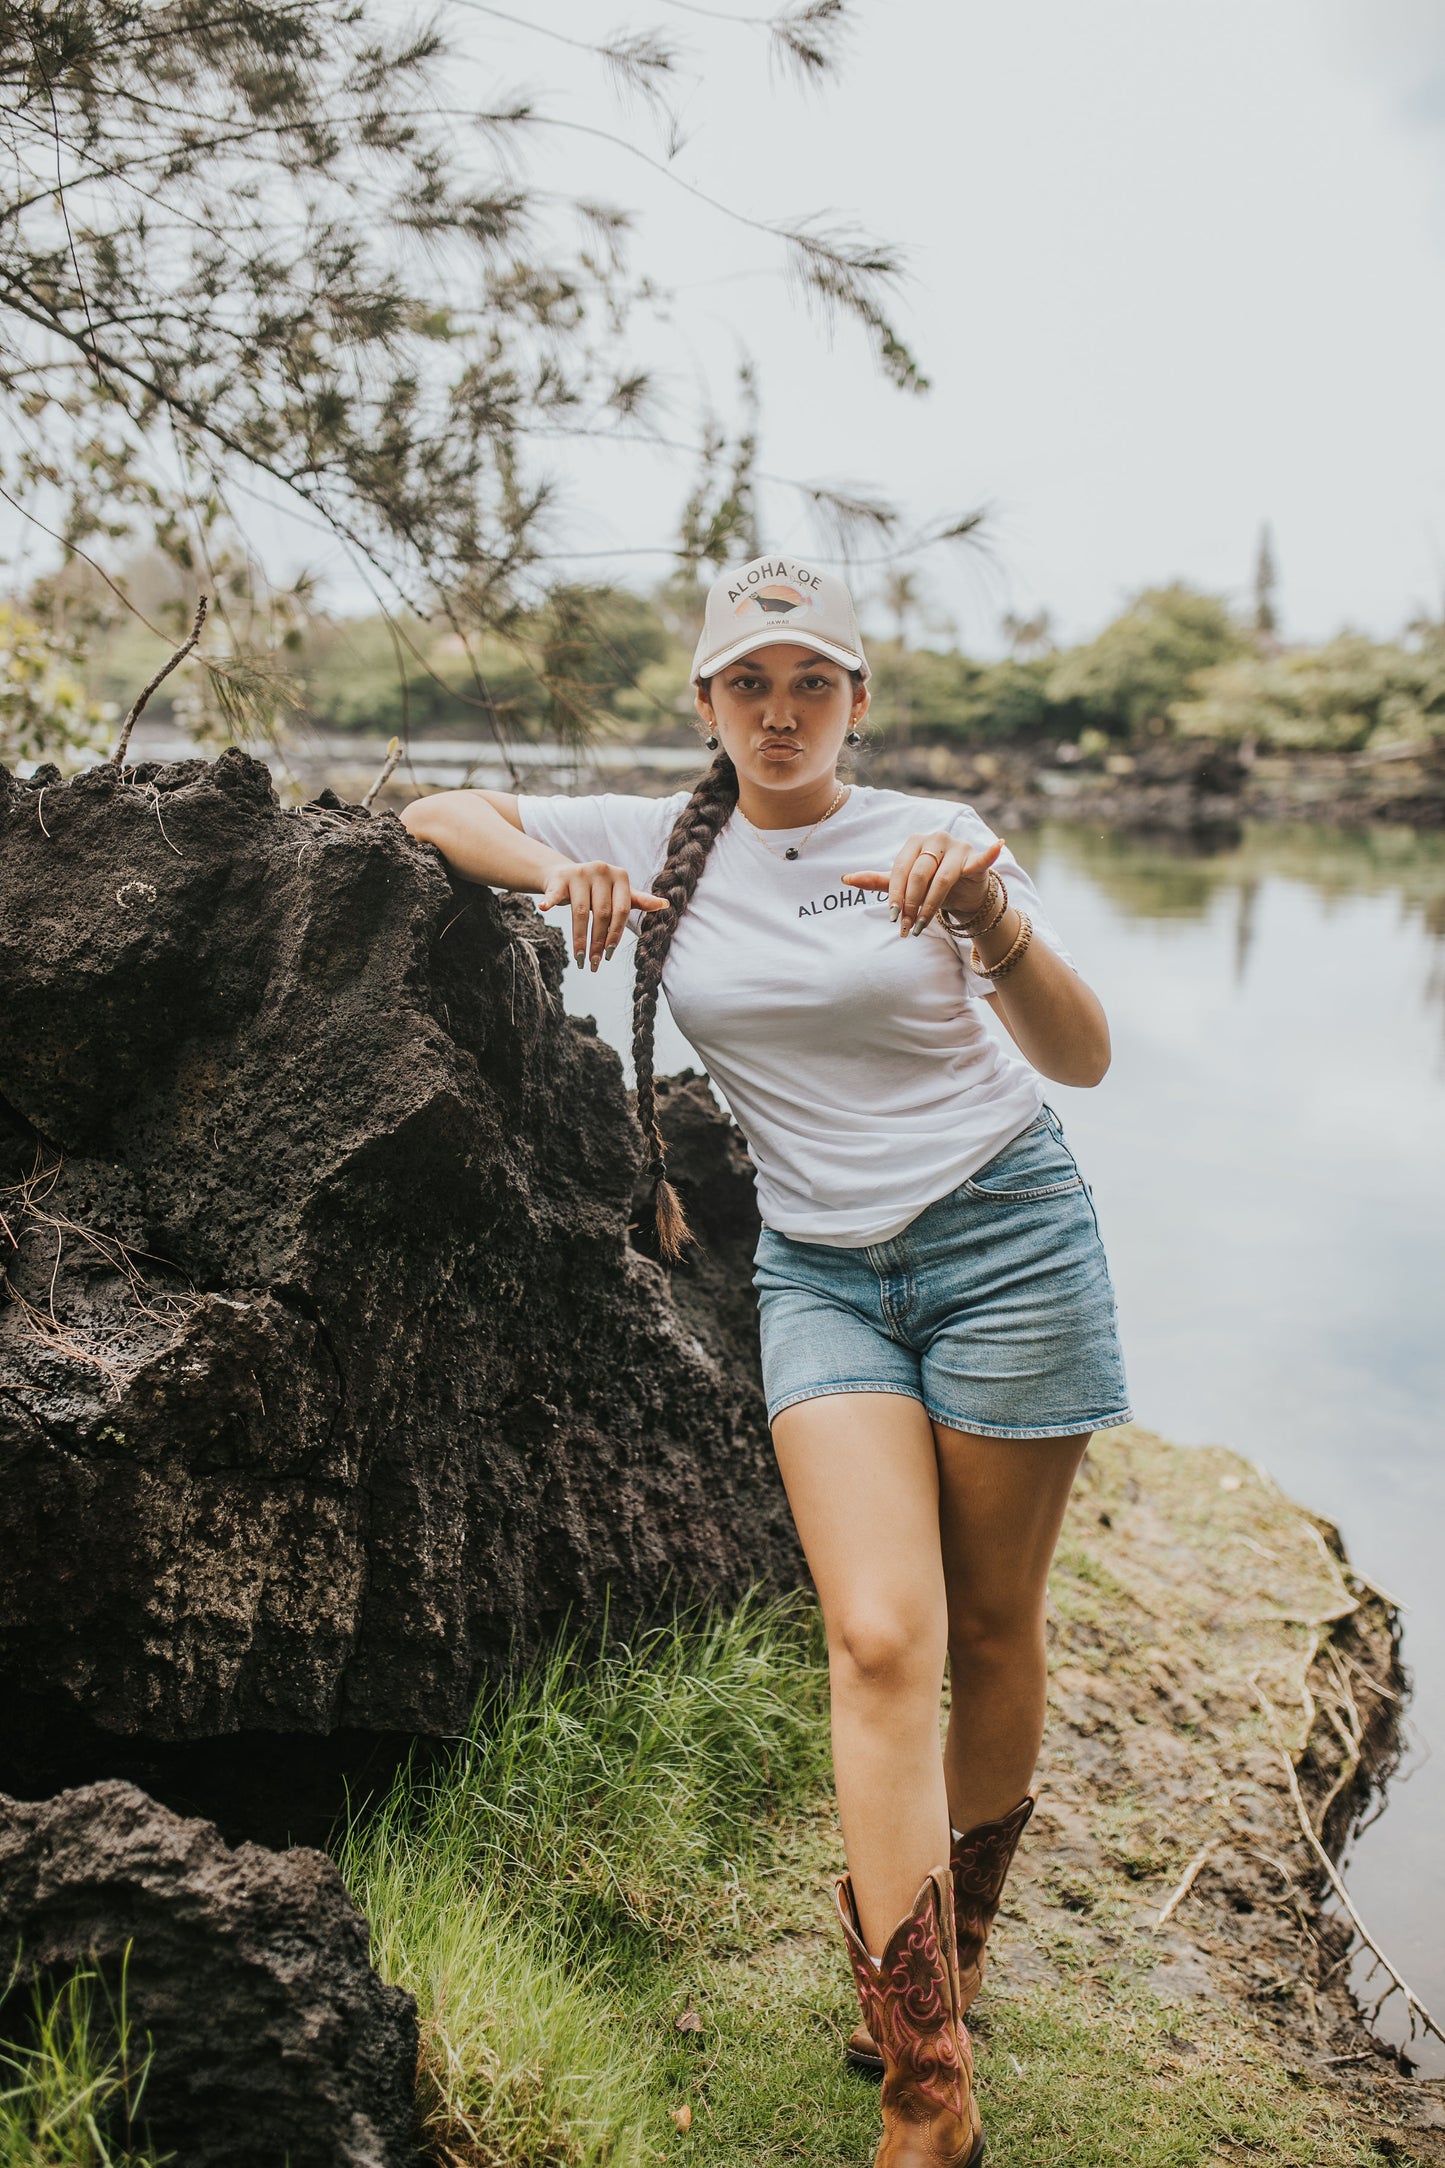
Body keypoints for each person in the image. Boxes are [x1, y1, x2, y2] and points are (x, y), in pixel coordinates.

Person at [401, 553, 1130, 2168]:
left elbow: (1081, 1056)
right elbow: (430, 807)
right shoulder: (667, 838)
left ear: (857, 705)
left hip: (1006, 1238)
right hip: (821, 1273)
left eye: (812, 684)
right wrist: (545, 872)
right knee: (879, 1636)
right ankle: (928, 2086)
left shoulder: (931, 840)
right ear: (710, 705)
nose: (782, 712)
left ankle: (952, 1961)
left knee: (992, 1625)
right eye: (751, 684)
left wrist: (996, 916)